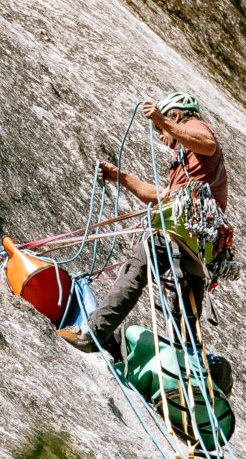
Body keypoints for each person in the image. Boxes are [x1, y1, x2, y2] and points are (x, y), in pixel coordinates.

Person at [63, 92, 228, 358]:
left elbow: (208, 143)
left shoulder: (195, 129)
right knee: (187, 307)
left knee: (136, 270)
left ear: (175, 116)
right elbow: (162, 196)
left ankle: (92, 333)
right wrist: (121, 177)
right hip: (199, 247)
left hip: (177, 231)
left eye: (160, 130)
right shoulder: (189, 165)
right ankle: (190, 363)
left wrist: (162, 120)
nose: (161, 137)